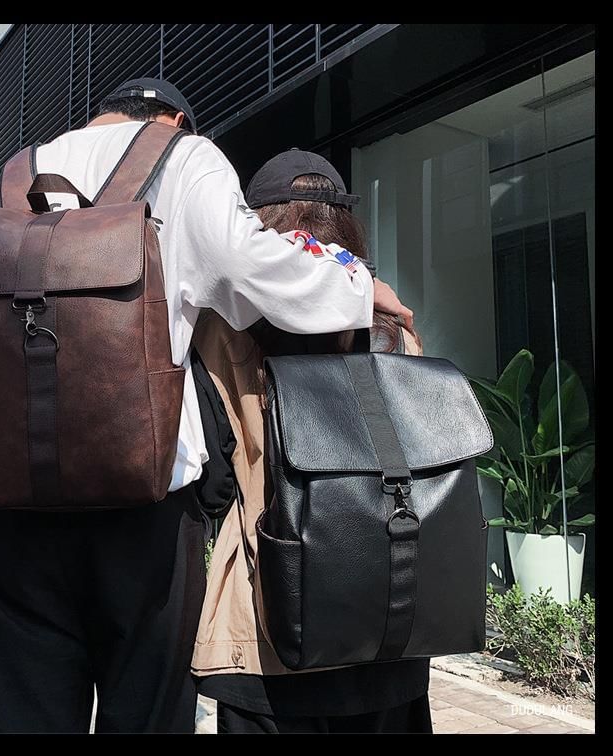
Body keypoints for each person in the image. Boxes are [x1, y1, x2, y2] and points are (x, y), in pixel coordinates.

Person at [0, 79, 413, 734]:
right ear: (174, 120)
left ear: (102, 114)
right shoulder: (186, 157)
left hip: (21, 522)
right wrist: (356, 287)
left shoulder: (14, 181)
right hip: (147, 518)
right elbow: (251, 270)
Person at [191, 149, 432, 734]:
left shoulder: (223, 327)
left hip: (269, 627)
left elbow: (212, 485)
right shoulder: (389, 323)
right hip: (387, 617)